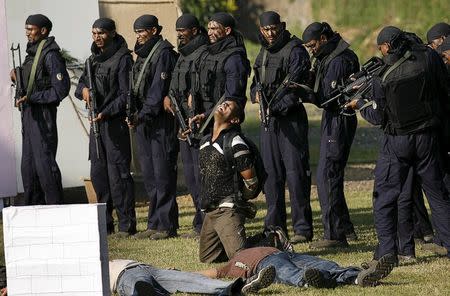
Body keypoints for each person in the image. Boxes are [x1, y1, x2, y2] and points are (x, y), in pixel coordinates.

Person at [345, 26, 450, 260]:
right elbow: (442, 89)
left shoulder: (383, 76)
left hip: (398, 141)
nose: (379, 51)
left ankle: (387, 251)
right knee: (438, 193)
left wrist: (360, 104)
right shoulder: (429, 56)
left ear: (388, 46)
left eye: (380, 47)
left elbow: (378, 117)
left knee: (385, 197)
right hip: (428, 137)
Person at [249, 11, 313, 244]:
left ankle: (302, 228)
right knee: (271, 176)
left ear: (282, 26)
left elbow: (300, 87)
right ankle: (274, 227)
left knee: (296, 175)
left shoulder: (295, 50)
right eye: (266, 29)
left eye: (274, 28)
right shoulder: (264, 51)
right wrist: (256, 96)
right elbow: (255, 84)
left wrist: (276, 106)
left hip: (290, 119)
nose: (270, 33)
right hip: (269, 122)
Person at [75, 18, 136, 237]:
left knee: (118, 175)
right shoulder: (93, 60)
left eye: (101, 33)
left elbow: (125, 94)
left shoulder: (122, 59)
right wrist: (83, 90)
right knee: (99, 174)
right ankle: (105, 224)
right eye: (93, 33)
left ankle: (126, 224)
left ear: (112, 33)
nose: (97, 38)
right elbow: (81, 84)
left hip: (113, 124)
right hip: (96, 126)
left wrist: (106, 112)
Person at [302, 22, 359, 248]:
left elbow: (328, 98)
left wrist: (305, 91)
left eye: (313, 45)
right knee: (330, 173)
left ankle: (334, 235)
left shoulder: (338, 60)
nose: (311, 50)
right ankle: (344, 227)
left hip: (339, 118)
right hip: (335, 118)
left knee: (328, 175)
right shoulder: (333, 55)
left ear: (324, 39)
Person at [128, 15, 179, 240]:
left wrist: (142, 115)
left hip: (159, 122)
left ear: (155, 30)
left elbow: (157, 92)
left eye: (143, 31)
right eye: (137, 31)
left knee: (163, 174)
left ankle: (167, 225)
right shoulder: (141, 54)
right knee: (149, 175)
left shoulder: (163, 53)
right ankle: (154, 222)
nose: (139, 35)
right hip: (142, 121)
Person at [10, 14, 70, 205]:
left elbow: (60, 90)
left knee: (45, 166)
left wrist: (34, 97)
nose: (27, 32)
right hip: (28, 116)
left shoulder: (50, 55)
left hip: (43, 116)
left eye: (31, 29)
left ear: (43, 31)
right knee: (28, 168)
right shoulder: (32, 54)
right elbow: (33, 79)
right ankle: (33, 211)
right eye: (26, 28)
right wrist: (17, 76)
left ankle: (55, 208)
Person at [164, 14, 209, 239]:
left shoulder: (203, 53)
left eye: (184, 30)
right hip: (181, 120)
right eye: (178, 30)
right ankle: (198, 221)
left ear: (195, 31)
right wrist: (168, 98)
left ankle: (205, 224)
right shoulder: (182, 55)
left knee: (201, 176)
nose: (180, 33)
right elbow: (174, 84)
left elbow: (201, 87)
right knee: (190, 177)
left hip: (197, 122)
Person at [198, 100, 258, 263]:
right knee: (208, 257)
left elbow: (251, 180)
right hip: (210, 211)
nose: (223, 105)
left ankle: (271, 240)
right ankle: (249, 242)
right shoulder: (204, 141)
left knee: (241, 259)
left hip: (228, 209)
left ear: (235, 120)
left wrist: (238, 200)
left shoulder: (235, 142)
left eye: (229, 106)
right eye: (223, 103)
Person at [198, 247, 396, 289]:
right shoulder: (231, 265)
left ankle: (360, 276)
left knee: (326, 265)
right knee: (289, 273)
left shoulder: (261, 243)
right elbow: (211, 273)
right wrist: (177, 274)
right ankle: (309, 281)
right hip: (264, 264)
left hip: (288, 254)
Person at [193, 12, 250, 126]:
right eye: (208, 28)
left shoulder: (234, 58)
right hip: (203, 120)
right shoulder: (206, 53)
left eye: (214, 29)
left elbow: (231, 101)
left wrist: (206, 115)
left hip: (223, 122)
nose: (209, 33)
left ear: (227, 31)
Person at [109, 259, 275, 295]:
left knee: (196, 281)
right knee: (138, 285)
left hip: (152, 269)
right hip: (124, 275)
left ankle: (243, 284)